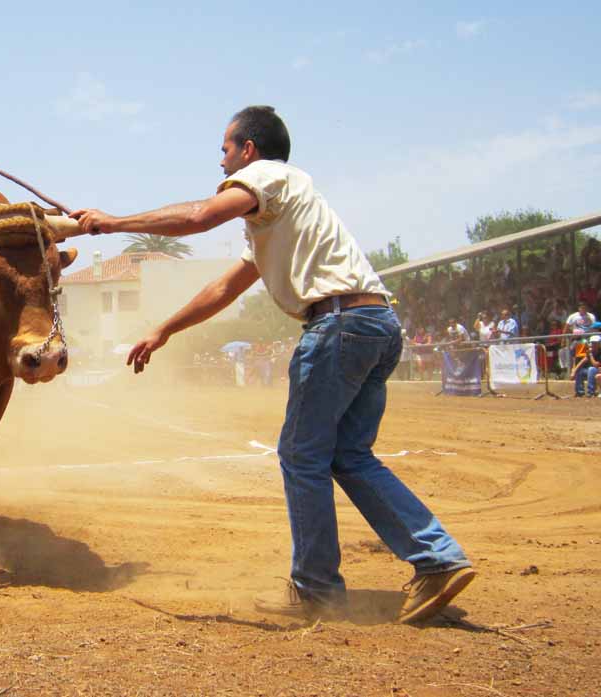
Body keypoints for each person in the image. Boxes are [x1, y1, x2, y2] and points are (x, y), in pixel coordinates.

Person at [70, 105, 473, 623]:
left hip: (338, 326)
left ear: (249, 150)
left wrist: (112, 222)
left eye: (225, 150)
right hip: (373, 322)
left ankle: (318, 589)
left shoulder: (268, 175)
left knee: (302, 455)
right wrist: (163, 329)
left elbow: (199, 217)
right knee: (348, 456)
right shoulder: (279, 212)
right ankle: (436, 559)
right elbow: (223, 288)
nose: (221, 163)